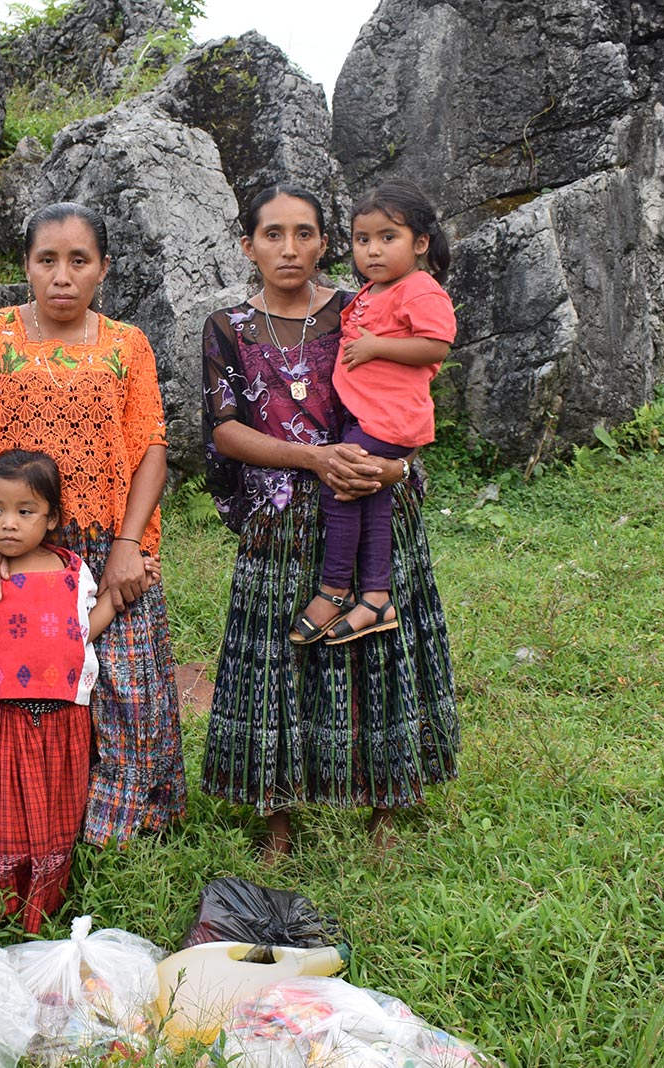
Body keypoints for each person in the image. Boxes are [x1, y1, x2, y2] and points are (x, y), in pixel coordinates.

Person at [0, 202, 186, 848]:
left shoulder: (127, 346)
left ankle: (116, 827)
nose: (62, 276)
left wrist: (126, 545)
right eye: (46, 260)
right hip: (2, 539)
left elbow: (149, 448)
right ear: (26, 267)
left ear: (103, 270)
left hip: (99, 547)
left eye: (78, 261)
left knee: (118, 686)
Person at [200, 184, 461, 850]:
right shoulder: (229, 326)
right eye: (273, 234)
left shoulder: (362, 310)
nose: (290, 249)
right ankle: (277, 814)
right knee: (278, 664)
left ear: (324, 242)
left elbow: (409, 398)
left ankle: (384, 808)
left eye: (306, 233)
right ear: (247, 245)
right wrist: (314, 460)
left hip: (376, 499)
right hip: (281, 516)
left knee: (377, 652)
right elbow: (225, 430)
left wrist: (392, 469)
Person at [0, 449, 152, 931]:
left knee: (50, 815)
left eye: (24, 512)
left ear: (51, 519)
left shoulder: (74, 573)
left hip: (62, 723)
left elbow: (81, 634)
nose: (8, 524)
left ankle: (39, 908)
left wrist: (116, 597)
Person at [289, 179, 456, 646]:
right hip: (368, 416)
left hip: (390, 420)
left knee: (340, 487)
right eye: (363, 240)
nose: (373, 251)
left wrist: (376, 344)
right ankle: (377, 597)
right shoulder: (374, 291)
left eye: (388, 238)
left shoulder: (418, 288)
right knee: (372, 500)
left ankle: (335, 589)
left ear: (420, 243)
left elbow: (437, 344)